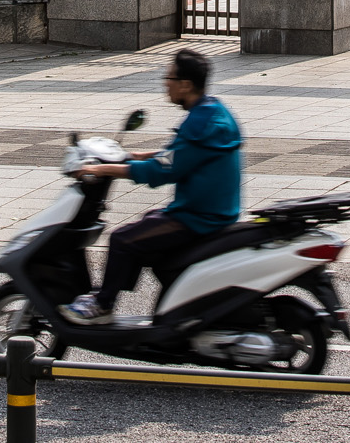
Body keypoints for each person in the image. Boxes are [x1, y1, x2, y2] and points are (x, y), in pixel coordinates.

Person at [62, 48, 244, 325]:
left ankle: (102, 306)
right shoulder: (213, 112)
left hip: (198, 219)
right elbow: (177, 155)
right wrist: (128, 155)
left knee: (123, 239)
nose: (165, 83)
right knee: (148, 224)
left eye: (169, 77)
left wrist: (99, 169)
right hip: (211, 213)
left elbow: (161, 170)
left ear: (186, 84)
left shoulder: (201, 124)